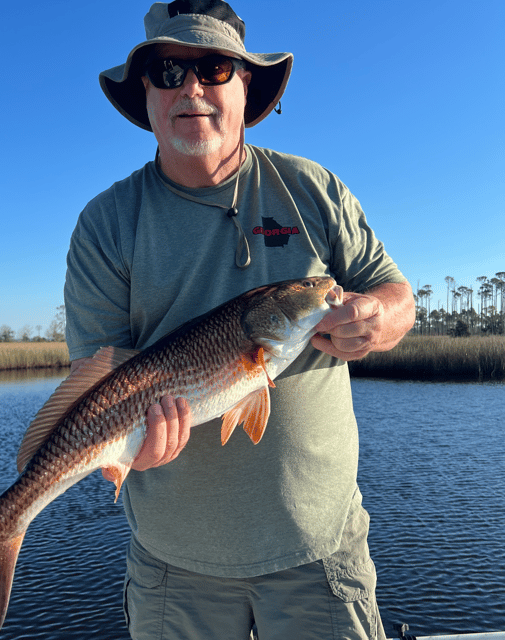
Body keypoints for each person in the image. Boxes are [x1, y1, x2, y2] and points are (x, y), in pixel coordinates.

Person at [63, 1, 415, 638]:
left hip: (320, 552)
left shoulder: (314, 190)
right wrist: (127, 448)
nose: (191, 88)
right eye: (169, 71)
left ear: (245, 83)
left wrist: (376, 318)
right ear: (145, 92)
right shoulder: (105, 223)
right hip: (174, 566)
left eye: (215, 68)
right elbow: (94, 376)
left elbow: (394, 292)